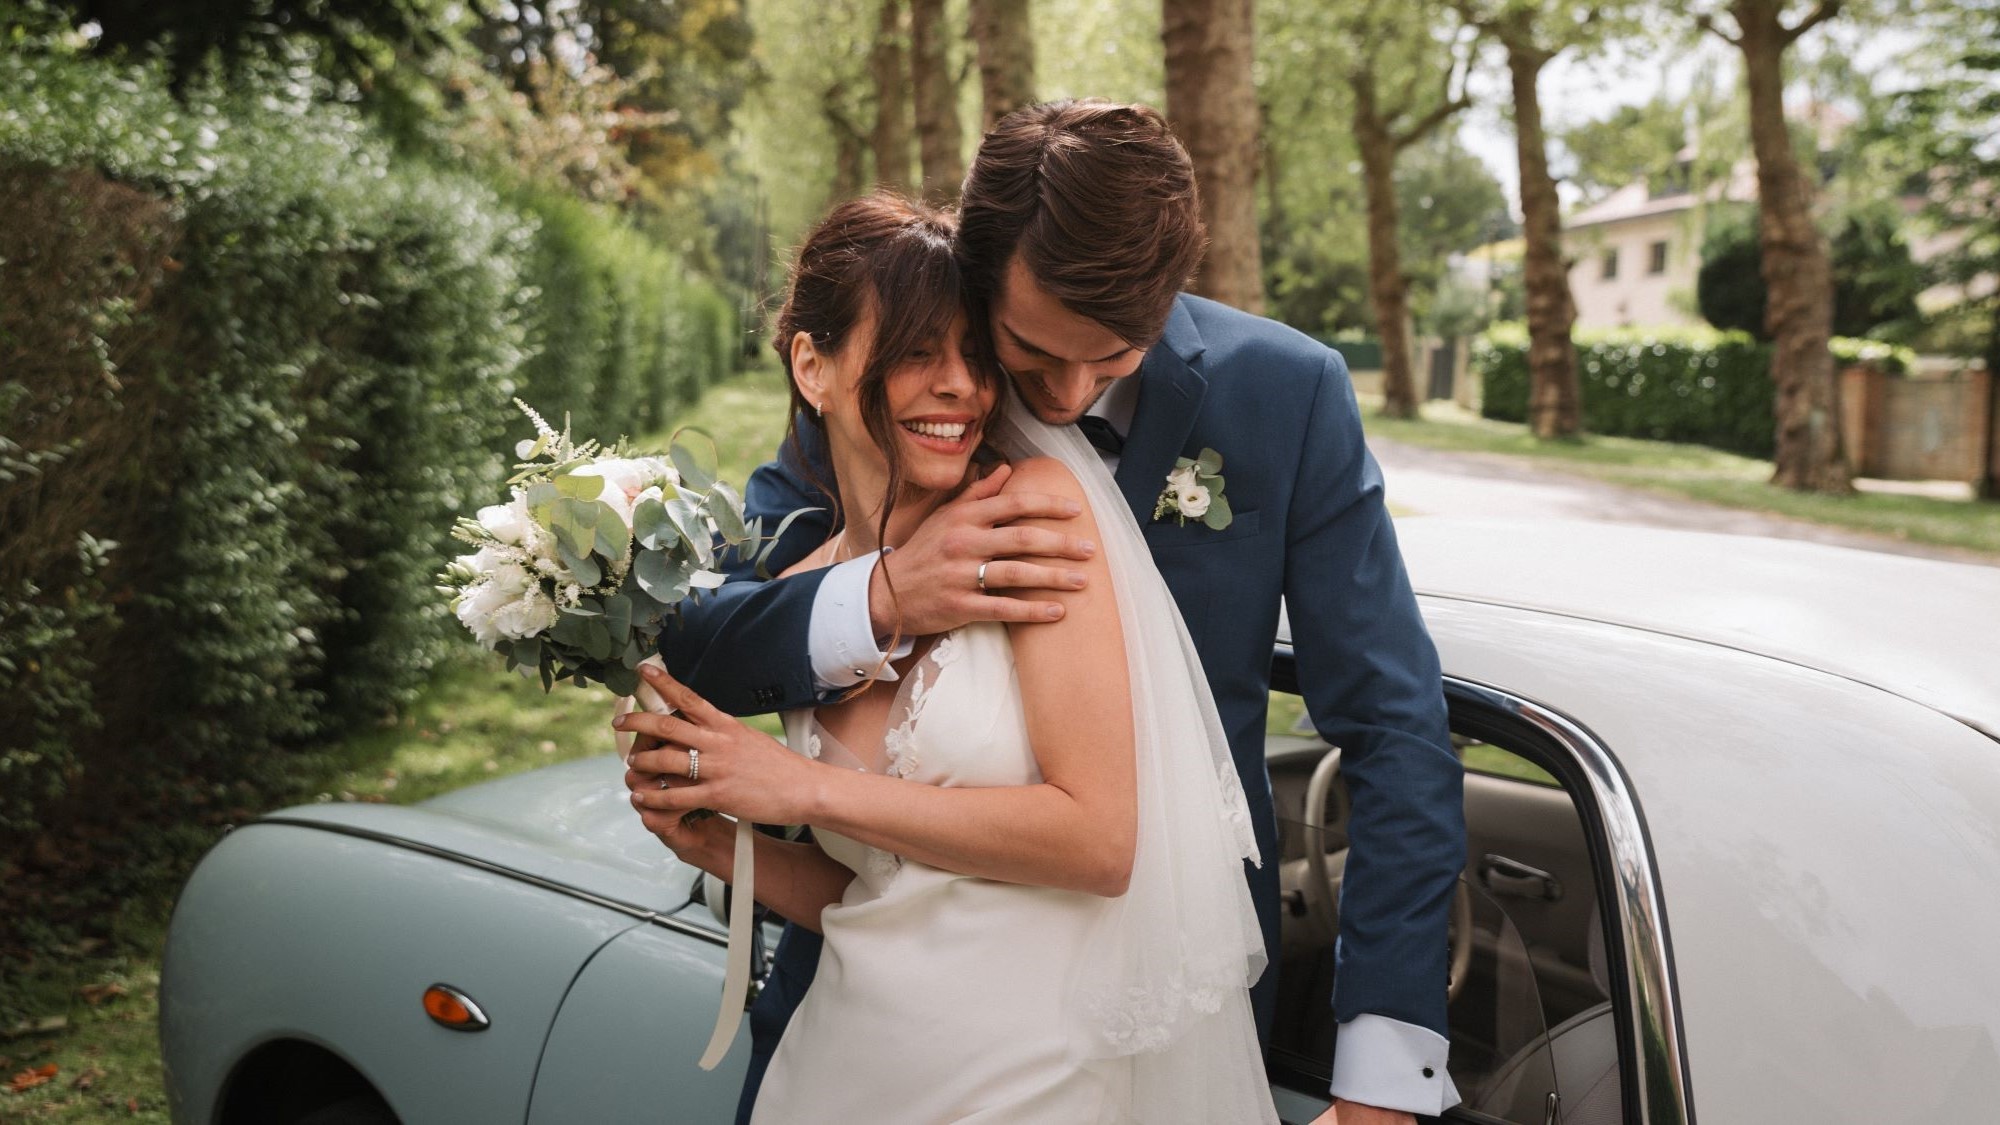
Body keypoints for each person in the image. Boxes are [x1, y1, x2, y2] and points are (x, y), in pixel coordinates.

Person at [641, 101, 1465, 1125]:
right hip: (867, 1002)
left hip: (1158, 1014)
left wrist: (1383, 1081)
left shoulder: (1285, 394)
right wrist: (886, 594)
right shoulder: (900, 388)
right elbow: (706, 628)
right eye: (1031, 352)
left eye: (1114, 354)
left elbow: (1392, 724)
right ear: (980, 271)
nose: (1068, 394)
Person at [621, 192, 1278, 1123]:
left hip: (1033, 1078)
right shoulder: (809, 594)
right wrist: (723, 845)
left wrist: (801, 788)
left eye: (975, 355)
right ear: (811, 365)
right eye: (916, 352)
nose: (961, 386)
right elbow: (884, 888)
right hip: (845, 1068)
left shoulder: (1031, 514)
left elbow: (1100, 842)